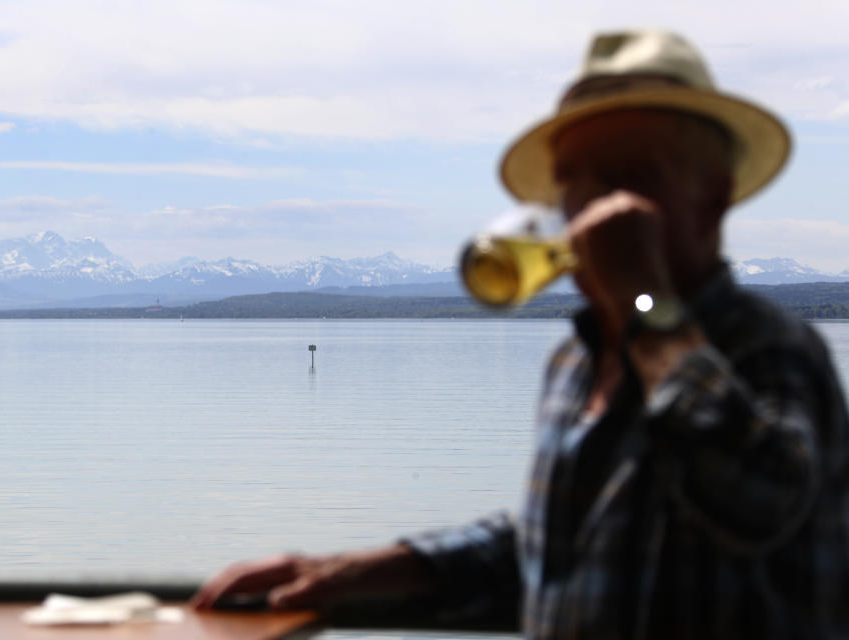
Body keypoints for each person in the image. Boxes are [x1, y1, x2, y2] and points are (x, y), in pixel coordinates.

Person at [192, 30, 849, 639]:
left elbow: (758, 501)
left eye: (629, 177)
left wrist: (643, 298)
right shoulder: (575, 361)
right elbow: (561, 543)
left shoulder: (774, 349)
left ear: (713, 194)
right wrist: (369, 568)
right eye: (575, 182)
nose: (590, 210)